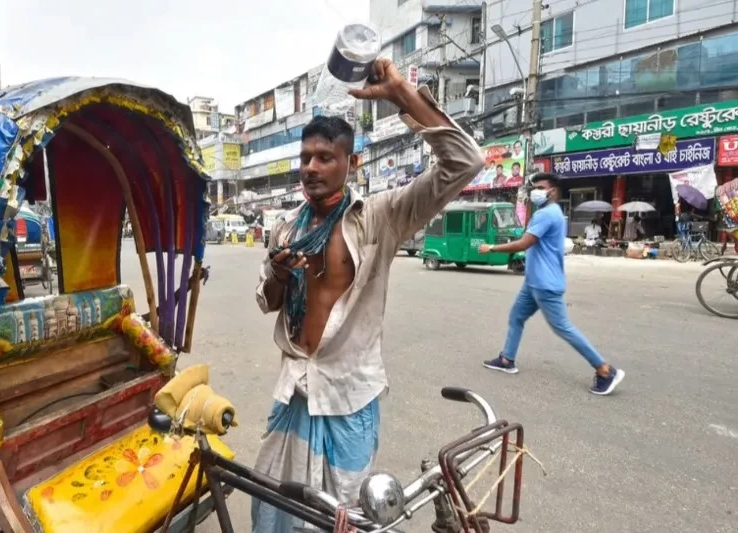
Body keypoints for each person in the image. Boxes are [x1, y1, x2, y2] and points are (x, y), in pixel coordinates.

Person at [252, 58, 483, 532]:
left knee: (352, 520)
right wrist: (278, 274)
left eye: (325, 157)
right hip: (295, 390)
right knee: (275, 508)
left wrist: (401, 93)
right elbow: (268, 300)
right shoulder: (284, 229)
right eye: (306, 158)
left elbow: (466, 162)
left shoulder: (381, 217)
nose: (311, 167)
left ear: (351, 162)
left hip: (349, 397)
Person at [478, 173, 624, 396]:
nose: (534, 191)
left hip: (545, 284)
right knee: (516, 316)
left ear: (552, 191)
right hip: (533, 282)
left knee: (563, 327)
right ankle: (507, 359)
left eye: (539, 187)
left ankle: (605, 370)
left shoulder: (546, 214)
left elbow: (525, 243)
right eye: (533, 187)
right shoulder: (549, 213)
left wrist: (492, 248)